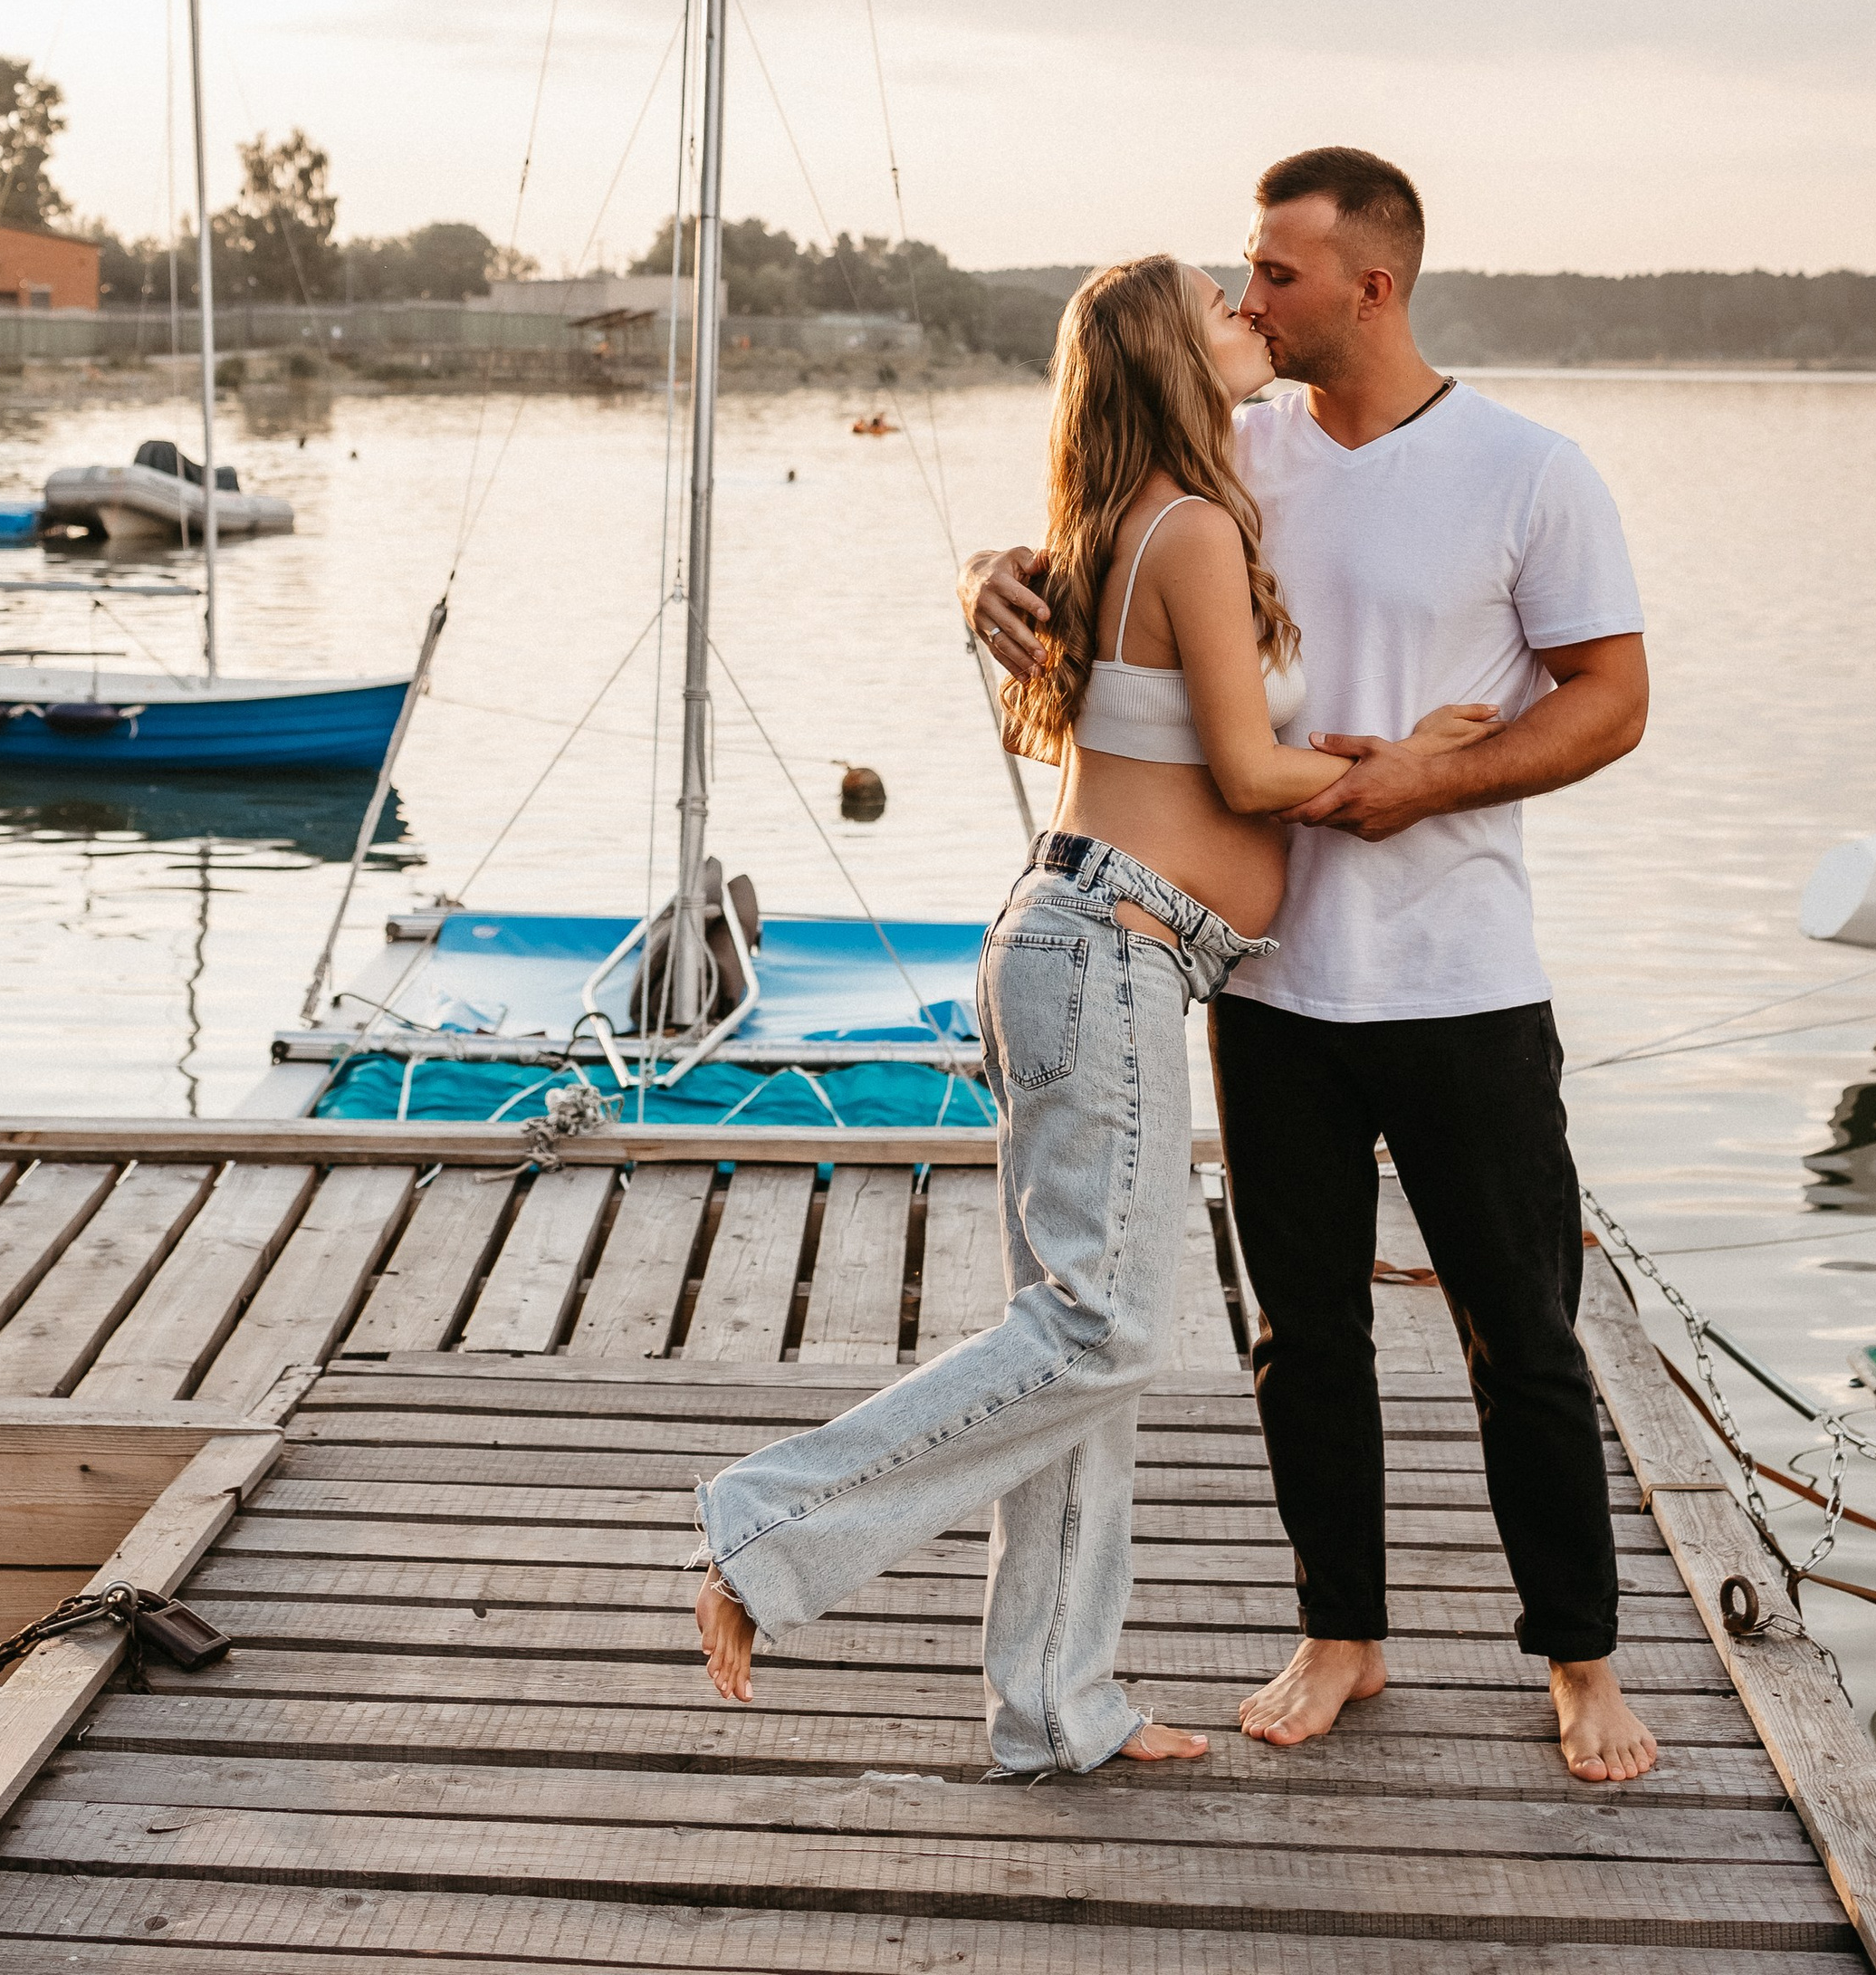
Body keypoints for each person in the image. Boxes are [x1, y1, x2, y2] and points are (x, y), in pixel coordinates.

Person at [694, 254, 1494, 1774]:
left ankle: (1055, 1709)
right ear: (1170, 361)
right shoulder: (1188, 526)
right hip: (1107, 947)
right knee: (1101, 1333)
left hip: (1090, 944)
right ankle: (767, 1527)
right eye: (1218, 307)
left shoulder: (1136, 517)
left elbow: (1192, 743)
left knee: (1080, 1344)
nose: (1247, 313)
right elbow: (1250, 778)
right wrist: (1419, 763)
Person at [963, 148, 1657, 1786]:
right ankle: (1343, 1633)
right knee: (1302, 1333)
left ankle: (1580, 1659)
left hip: (1463, 980)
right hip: (1266, 981)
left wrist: (1431, 781)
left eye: (1277, 272)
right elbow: (1094, 543)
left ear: (1373, 284)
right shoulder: (1233, 451)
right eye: (1246, 273)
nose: (1251, 296)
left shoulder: (1528, 472)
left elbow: (1612, 700)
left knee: (1524, 1335)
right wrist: (987, 571)